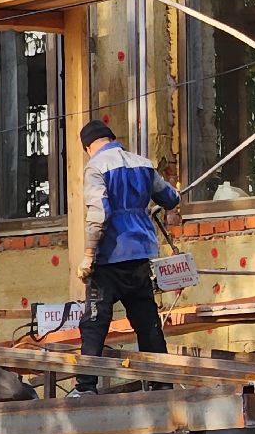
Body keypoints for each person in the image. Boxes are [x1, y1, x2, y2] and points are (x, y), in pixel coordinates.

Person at [69, 119, 181, 397]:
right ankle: (161, 384)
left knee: (94, 322)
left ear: (87, 147)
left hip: (110, 257)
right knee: (147, 321)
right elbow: (170, 197)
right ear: (111, 137)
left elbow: (99, 214)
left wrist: (88, 254)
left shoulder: (95, 166)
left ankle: (85, 388)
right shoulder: (142, 163)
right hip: (140, 253)